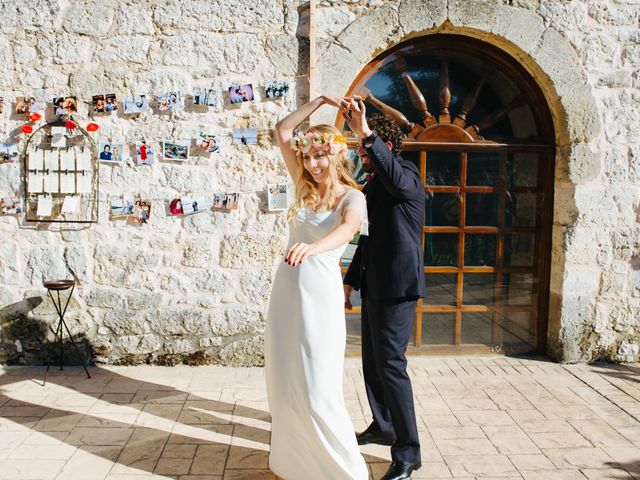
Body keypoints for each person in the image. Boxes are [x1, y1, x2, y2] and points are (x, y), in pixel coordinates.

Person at [266, 95, 369, 480]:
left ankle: (343, 471)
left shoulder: (352, 197)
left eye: (319, 156)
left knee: (317, 383)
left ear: (336, 156)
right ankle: (295, 463)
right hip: (287, 292)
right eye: (307, 157)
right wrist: (321, 102)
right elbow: (283, 130)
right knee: (285, 376)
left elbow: (349, 228)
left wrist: (313, 247)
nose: (311, 164)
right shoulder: (302, 185)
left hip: (321, 296)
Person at [342, 98, 424, 480]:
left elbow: (392, 173)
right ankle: (383, 424)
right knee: (372, 363)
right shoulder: (374, 186)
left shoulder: (406, 175)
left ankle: (408, 452)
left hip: (398, 288)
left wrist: (365, 132)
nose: (362, 154)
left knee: (392, 366)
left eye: (367, 148)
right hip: (375, 285)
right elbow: (367, 239)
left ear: (385, 148)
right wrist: (349, 281)